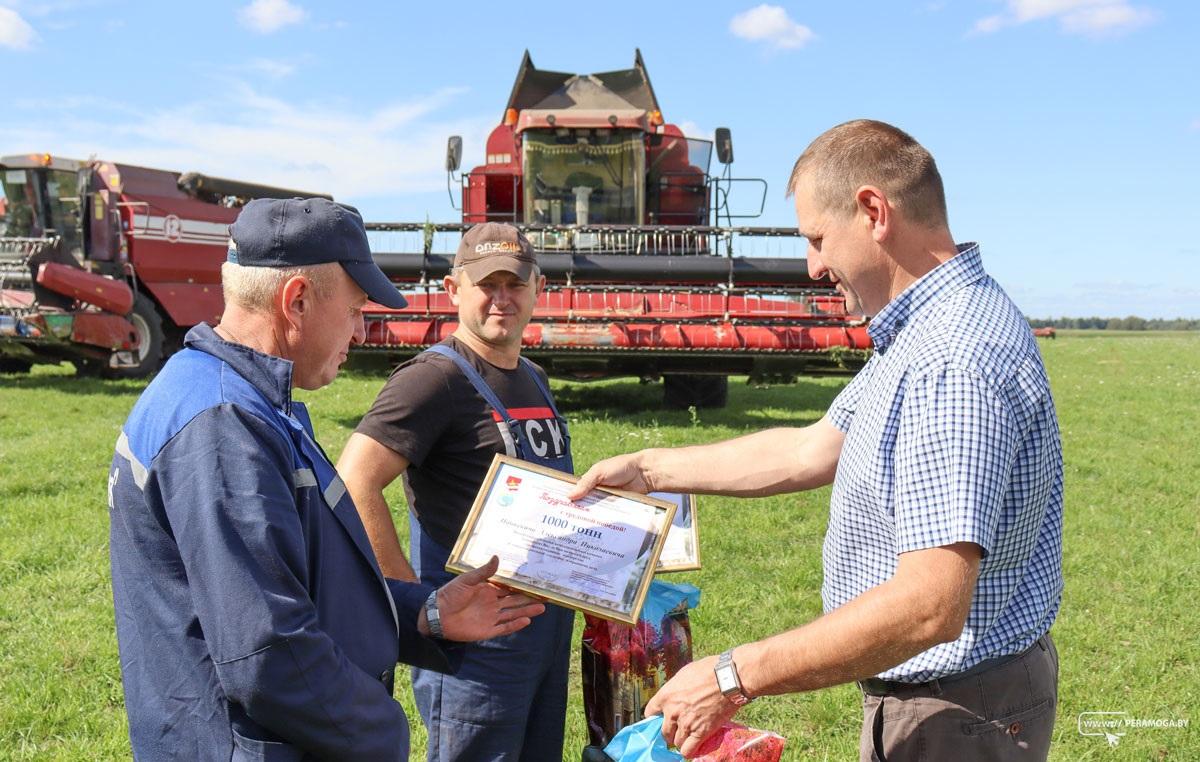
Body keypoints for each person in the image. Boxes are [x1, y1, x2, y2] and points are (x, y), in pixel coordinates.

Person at [570, 120, 1064, 761]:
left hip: (959, 710)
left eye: (817, 239)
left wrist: (730, 677)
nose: (813, 265)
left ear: (873, 212)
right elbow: (812, 447)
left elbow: (928, 605)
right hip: (949, 697)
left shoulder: (949, 359)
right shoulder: (921, 332)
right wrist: (650, 468)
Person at [108, 198, 545, 761]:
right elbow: (267, 652)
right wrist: (383, 733)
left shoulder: (241, 397)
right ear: (297, 302)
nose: (360, 333)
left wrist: (425, 613)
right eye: (356, 309)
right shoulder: (223, 425)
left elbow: (305, 580)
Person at [337, 222, 575, 761]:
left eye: (514, 284)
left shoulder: (531, 374)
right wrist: (416, 606)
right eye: (486, 284)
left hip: (543, 634)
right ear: (452, 290)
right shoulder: (434, 378)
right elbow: (355, 481)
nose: (501, 298)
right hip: (478, 646)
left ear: (537, 287)